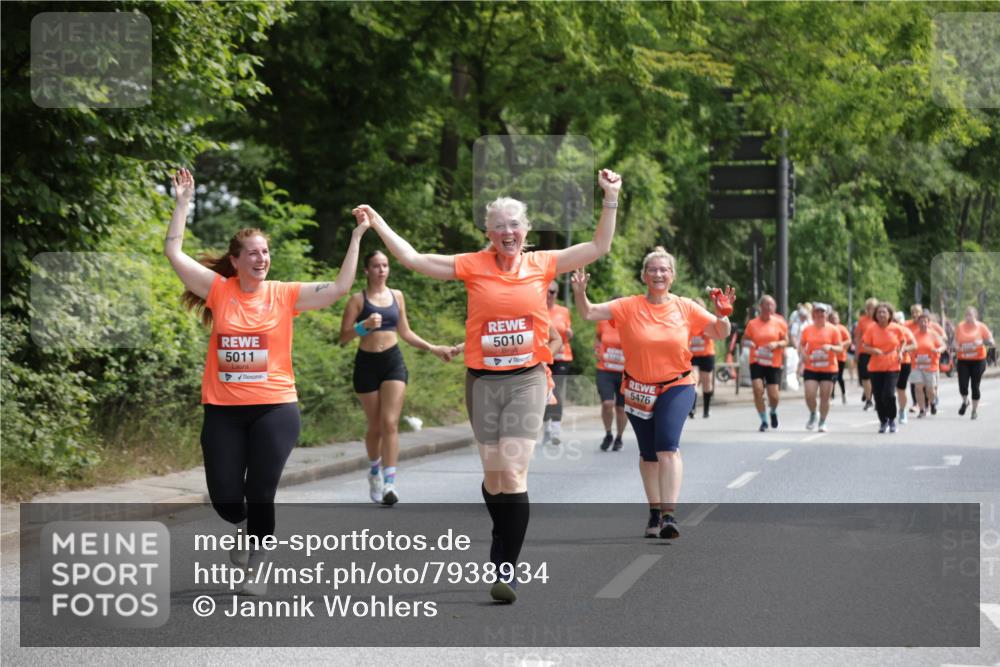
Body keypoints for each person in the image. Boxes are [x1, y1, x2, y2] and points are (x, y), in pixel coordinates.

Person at [353, 168, 622, 604]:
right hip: (482, 382)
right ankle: (502, 531)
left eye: (515, 225)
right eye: (499, 227)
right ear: (488, 233)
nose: (507, 232)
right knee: (493, 478)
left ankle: (505, 568)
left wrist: (610, 196)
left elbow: (598, 246)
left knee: (513, 472)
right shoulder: (473, 265)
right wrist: (378, 223)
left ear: (527, 229)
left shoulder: (542, 263)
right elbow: (415, 260)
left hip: (527, 379)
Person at [165, 168, 368, 595]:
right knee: (224, 497)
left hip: (276, 407)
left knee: (260, 489)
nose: (262, 258)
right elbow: (174, 253)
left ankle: (257, 562)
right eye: (253, 253)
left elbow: (338, 287)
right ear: (236, 260)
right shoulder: (218, 291)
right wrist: (183, 204)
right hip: (223, 410)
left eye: (266, 252)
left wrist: (355, 239)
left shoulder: (284, 293)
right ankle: (244, 528)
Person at [572, 253, 733, 540]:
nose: (658, 274)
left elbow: (719, 332)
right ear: (644, 275)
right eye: (653, 270)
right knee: (648, 454)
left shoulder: (685, 307)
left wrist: (723, 314)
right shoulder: (628, 306)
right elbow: (588, 313)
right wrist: (580, 293)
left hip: (677, 384)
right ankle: (655, 511)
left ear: (672, 275)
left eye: (664, 270)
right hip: (637, 389)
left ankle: (670, 515)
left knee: (667, 446)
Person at [339, 250, 455, 506]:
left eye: (385, 265)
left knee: (390, 423)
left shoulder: (397, 296)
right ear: (367, 271)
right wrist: (363, 326)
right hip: (367, 364)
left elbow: (405, 331)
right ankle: (374, 471)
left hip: (392, 362)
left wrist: (433, 347)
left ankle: (390, 482)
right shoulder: (357, 300)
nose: (382, 270)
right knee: (376, 426)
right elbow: (343, 337)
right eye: (376, 266)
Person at [861, 302, 914, 433]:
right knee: (878, 396)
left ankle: (892, 419)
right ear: (875, 315)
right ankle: (883, 421)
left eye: (884, 312)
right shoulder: (871, 328)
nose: (881, 314)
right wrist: (874, 350)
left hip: (893, 365)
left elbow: (903, 341)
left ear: (890, 314)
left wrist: (901, 352)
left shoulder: (896, 328)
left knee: (888, 394)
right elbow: (864, 346)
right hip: (875, 367)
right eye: (879, 312)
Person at [742, 295, 789, 432]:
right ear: (760, 307)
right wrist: (748, 342)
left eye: (771, 305)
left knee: (774, 396)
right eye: (766, 305)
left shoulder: (779, 322)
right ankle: (763, 420)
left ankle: (773, 411)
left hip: (773, 362)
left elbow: (786, 341)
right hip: (756, 361)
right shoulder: (752, 324)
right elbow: (744, 340)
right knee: (758, 390)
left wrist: (777, 343)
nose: (769, 307)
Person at [798, 303, 842, 432]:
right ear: (813, 315)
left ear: (827, 315)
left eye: (822, 312)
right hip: (811, 366)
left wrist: (831, 347)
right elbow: (801, 345)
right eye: (817, 312)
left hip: (829, 368)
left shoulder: (833, 330)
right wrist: (804, 354)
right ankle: (813, 413)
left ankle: (822, 421)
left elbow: (840, 348)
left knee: (825, 396)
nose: (820, 315)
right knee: (809, 394)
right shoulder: (807, 330)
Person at [542, 281, 574, 445]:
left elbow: (568, 333)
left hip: (562, 356)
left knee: (557, 391)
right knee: (544, 393)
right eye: (547, 291)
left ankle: (556, 430)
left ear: (557, 293)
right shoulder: (537, 309)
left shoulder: (563, 311)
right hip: (543, 357)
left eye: (553, 292)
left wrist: (570, 332)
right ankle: (546, 427)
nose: (549, 295)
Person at [594, 305, 628, 451]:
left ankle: (619, 437)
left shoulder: (629, 324)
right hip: (605, 370)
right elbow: (597, 338)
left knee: (621, 408)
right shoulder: (603, 322)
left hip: (624, 373)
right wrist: (597, 350)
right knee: (607, 404)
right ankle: (608, 434)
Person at [954, 306, 994, 419]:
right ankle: (965, 402)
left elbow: (991, 341)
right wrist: (957, 348)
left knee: (975, 386)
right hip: (963, 360)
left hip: (978, 360)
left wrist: (981, 342)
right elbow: (955, 342)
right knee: (962, 385)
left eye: (970, 315)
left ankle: (974, 411)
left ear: (975, 316)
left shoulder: (981, 327)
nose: (968, 317)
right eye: (966, 315)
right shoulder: (960, 326)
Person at [911, 312, 947, 418]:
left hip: (930, 366)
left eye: (925, 321)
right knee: (918, 387)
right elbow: (908, 345)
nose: (923, 323)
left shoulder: (933, 334)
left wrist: (937, 350)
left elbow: (943, 346)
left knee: (930, 389)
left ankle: (932, 403)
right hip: (916, 366)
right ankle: (922, 410)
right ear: (918, 323)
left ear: (928, 323)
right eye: (921, 321)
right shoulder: (914, 335)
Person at [688, 297, 716, 419]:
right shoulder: (687, 321)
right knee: (693, 380)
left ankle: (706, 409)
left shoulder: (707, 320)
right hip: (693, 355)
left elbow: (715, 333)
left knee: (707, 383)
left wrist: (706, 332)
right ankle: (692, 408)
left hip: (706, 354)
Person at [892, 311, 918, 425]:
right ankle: (889, 413)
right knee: (889, 390)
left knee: (900, 389)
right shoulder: (887, 331)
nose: (897, 324)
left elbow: (914, 345)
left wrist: (904, 349)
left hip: (904, 363)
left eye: (899, 322)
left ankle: (902, 411)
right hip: (889, 364)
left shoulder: (906, 331)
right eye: (894, 321)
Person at [854, 297, 879, 410]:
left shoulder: (880, 320)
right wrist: (856, 353)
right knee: (864, 376)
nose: (870, 310)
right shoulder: (862, 320)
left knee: (876, 376)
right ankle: (869, 400)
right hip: (864, 351)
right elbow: (858, 337)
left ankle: (875, 397)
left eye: (873, 308)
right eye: (868, 308)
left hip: (877, 352)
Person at [829, 309, 851, 404]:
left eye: (836, 318)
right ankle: (831, 395)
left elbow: (849, 341)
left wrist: (840, 345)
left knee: (839, 377)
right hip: (830, 357)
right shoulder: (828, 328)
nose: (834, 320)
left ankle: (843, 393)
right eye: (832, 318)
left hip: (840, 356)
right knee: (831, 377)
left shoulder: (842, 328)